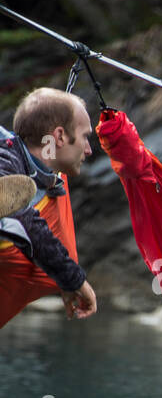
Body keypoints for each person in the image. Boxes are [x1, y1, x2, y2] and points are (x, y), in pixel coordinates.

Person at [0, 88, 97, 319]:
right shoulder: (6, 158)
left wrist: (63, 279)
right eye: (85, 137)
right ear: (60, 136)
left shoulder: (48, 182)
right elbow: (27, 221)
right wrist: (73, 279)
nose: (88, 149)